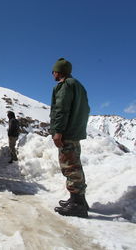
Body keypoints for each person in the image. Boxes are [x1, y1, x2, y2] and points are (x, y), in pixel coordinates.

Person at [49, 58, 90, 218]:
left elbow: (61, 109)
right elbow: (86, 109)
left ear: (59, 72)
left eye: (53, 71)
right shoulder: (78, 86)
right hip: (74, 132)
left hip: (66, 133)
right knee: (75, 165)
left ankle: (77, 205)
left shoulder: (65, 85)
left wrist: (58, 131)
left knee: (70, 167)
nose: (52, 74)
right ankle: (78, 200)